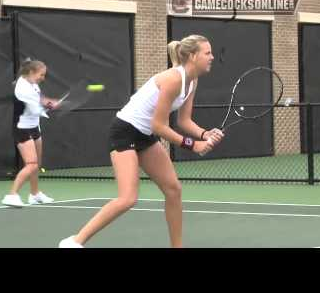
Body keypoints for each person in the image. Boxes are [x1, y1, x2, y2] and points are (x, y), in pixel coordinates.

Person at [59, 35, 224, 248]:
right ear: (193, 56)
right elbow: (159, 126)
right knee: (128, 198)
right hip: (125, 131)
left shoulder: (192, 81)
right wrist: (193, 145)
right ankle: (74, 242)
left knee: (173, 189)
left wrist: (204, 134)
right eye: (207, 53)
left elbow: (184, 121)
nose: (212, 57)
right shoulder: (173, 79)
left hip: (144, 135)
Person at [1, 59, 59, 207]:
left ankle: (35, 194)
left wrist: (49, 102)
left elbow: (40, 99)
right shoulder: (22, 88)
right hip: (22, 128)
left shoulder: (32, 84)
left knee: (36, 164)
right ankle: (11, 195)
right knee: (31, 163)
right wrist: (50, 107)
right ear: (32, 72)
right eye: (41, 75)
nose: (43, 78)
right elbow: (36, 108)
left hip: (34, 126)